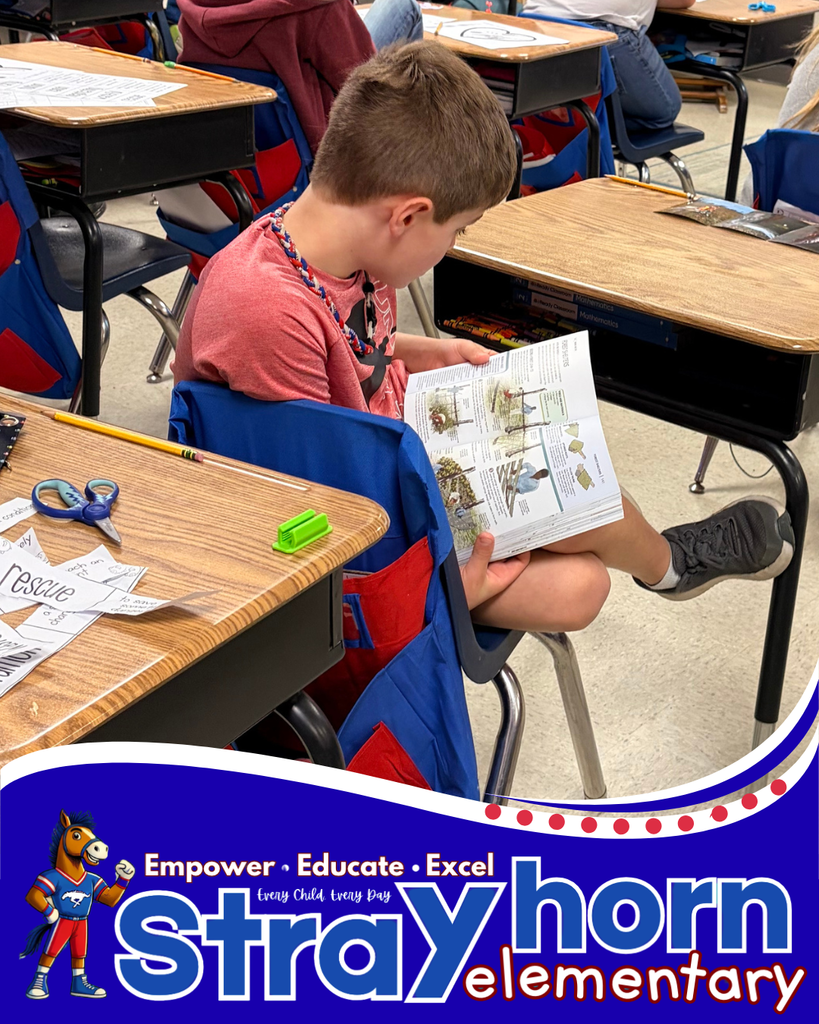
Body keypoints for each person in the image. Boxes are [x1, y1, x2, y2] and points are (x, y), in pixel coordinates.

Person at [174, 41, 794, 633]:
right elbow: (313, 505)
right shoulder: (264, 312)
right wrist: (447, 588)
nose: (453, 246)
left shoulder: (338, 242)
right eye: (459, 230)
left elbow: (350, 356)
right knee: (581, 569)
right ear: (409, 215)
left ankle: (667, 563)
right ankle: (671, 566)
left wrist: (424, 351)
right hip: (355, 543)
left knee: (579, 495)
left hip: (389, 457)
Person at [176, 0, 423, 154]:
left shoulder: (192, 10)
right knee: (403, 6)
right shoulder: (319, 8)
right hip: (317, 155)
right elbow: (369, 85)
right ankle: (421, 150)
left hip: (227, 161)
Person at [523, 0, 695, 131]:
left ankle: (573, 127)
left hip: (533, 24)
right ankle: (590, 132)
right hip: (603, 32)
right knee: (667, 109)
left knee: (561, 108)